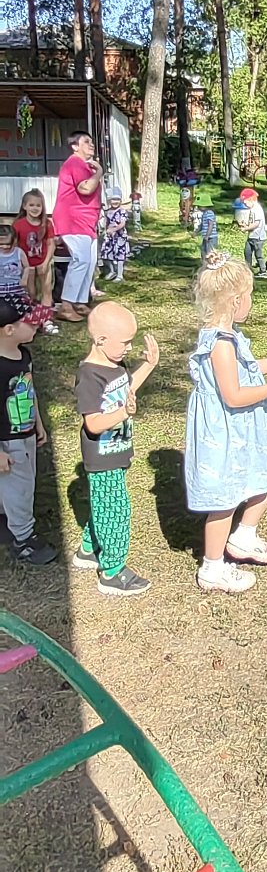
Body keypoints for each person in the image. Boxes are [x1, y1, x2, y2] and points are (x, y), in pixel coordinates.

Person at [185, 254, 267, 595]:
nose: (251, 301)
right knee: (226, 496)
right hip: (225, 431)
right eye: (249, 295)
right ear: (235, 301)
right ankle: (212, 567)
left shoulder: (227, 336)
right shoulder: (220, 344)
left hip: (241, 427)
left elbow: (243, 372)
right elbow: (233, 395)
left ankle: (244, 535)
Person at [73, 301, 159, 596]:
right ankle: (112, 571)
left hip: (117, 452)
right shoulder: (89, 376)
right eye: (124, 342)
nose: (129, 347)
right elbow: (93, 424)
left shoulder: (114, 365)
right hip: (102, 458)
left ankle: (88, 549)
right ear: (101, 340)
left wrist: (149, 365)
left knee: (104, 505)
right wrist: (123, 413)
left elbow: (126, 388)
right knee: (116, 511)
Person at [0, 297, 56, 565]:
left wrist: (39, 423)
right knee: (20, 488)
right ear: (9, 329)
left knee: (17, 483)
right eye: (32, 323)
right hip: (7, 443)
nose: (38, 326)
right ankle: (24, 539)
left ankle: (7, 519)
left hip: (26, 434)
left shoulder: (24, 355)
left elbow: (30, 392)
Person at [53, 131, 104, 322]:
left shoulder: (84, 166)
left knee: (89, 262)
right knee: (81, 260)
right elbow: (85, 188)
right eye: (86, 142)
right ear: (75, 146)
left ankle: (80, 302)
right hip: (73, 220)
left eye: (91, 141)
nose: (91, 144)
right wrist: (99, 172)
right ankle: (66, 305)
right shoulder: (75, 163)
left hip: (87, 221)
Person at [14, 189, 55, 307]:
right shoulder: (18, 225)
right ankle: (32, 313)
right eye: (31, 205)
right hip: (27, 265)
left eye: (38, 205)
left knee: (46, 291)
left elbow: (51, 244)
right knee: (30, 293)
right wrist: (23, 265)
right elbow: (14, 246)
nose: (35, 208)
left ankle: (47, 313)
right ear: (24, 206)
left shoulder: (46, 224)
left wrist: (46, 263)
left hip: (43, 262)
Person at [99, 186, 130, 284]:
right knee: (106, 254)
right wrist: (106, 230)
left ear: (120, 200)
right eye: (113, 199)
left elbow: (122, 223)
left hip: (119, 236)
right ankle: (112, 271)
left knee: (120, 255)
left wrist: (114, 229)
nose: (115, 202)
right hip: (110, 237)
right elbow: (106, 222)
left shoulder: (122, 211)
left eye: (117, 199)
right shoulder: (108, 211)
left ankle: (120, 275)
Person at [239, 187, 267, 278]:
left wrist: (246, 229)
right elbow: (252, 221)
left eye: (246, 203)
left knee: (258, 254)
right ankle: (248, 269)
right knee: (247, 252)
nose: (245, 205)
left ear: (251, 199)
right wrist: (245, 224)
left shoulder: (257, 209)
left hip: (258, 237)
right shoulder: (252, 209)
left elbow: (256, 224)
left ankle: (263, 271)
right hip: (251, 236)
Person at [196, 190, 218, 261]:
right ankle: (204, 264)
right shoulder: (204, 214)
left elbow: (210, 225)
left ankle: (211, 264)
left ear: (205, 205)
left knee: (210, 252)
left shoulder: (210, 213)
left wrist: (207, 235)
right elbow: (201, 225)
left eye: (199, 206)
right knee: (203, 250)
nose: (198, 207)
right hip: (206, 237)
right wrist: (195, 232)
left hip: (211, 237)